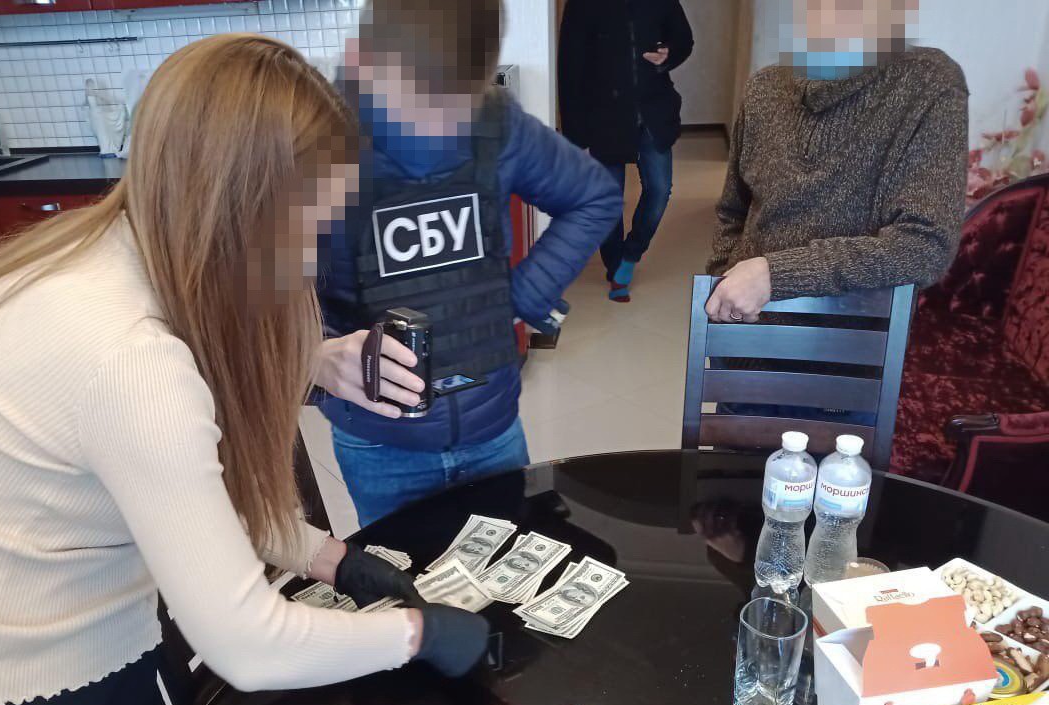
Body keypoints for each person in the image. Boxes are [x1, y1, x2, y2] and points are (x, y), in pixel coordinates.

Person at [0, 36, 488, 705]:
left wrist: (328, 559)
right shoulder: (129, 360)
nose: (312, 260)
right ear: (244, 214)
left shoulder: (91, 256)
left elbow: (169, 494)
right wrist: (418, 634)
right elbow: (249, 645)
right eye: (308, 230)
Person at [313, 0, 623, 527]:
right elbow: (252, 292)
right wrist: (313, 356)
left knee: (507, 573)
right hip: (380, 446)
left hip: (493, 430)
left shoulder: (495, 120)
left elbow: (593, 196)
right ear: (363, 60)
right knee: (399, 577)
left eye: (453, 107)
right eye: (414, 102)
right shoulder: (310, 137)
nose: (434, 130)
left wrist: (521, 298)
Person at [706, 0, 968, 324]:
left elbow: (926, 245)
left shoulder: (929, 83)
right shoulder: (763, 87)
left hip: (853, 331)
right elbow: (733, 210)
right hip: (745, 317)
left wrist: (775, 274)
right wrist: (722, 280)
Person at [559, 0, 694, 301]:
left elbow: (683, 39)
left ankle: (631, 255)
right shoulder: (582, 5)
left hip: (653, 113)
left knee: (659, 190)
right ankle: (615, 267)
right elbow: (570, 67)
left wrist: (667, 55)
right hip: (603, 117)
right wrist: (574, 137)